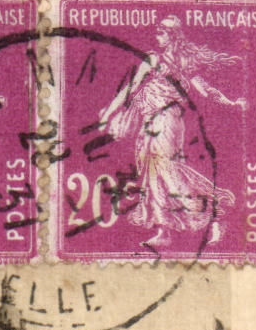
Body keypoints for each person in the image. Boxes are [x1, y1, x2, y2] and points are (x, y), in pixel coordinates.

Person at [97, 17, 246, 249]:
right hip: (150, 123)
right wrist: (108, 113)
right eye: (157, 32)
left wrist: (231, 103)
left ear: (173, 36)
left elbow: (205, 90)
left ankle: (214, 214)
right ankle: (163, 230)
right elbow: (129, 89)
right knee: (152, 173)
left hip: (168, 121)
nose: (157, 36)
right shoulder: (152, 60)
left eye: (162, 32)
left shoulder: (183, 64)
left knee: (165, 170)